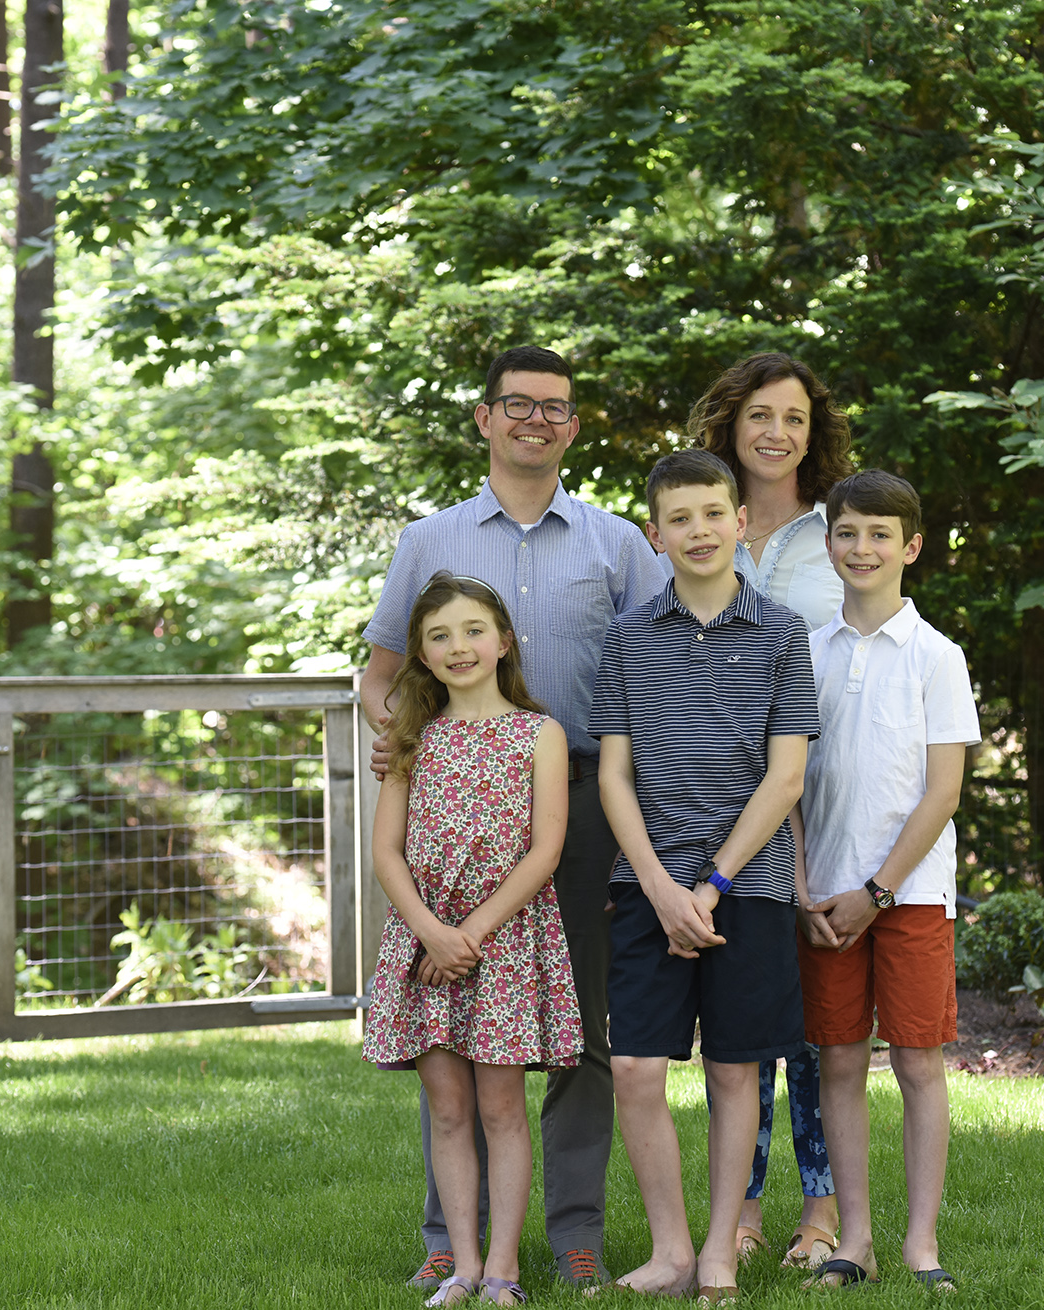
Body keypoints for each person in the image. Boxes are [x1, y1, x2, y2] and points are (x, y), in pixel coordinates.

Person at [361, 346, 665, 1291]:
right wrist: (405, 741)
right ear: (485, 418)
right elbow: (377, 680)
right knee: (447, 1017)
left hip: (576, 804)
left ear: (572, 427)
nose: (536, 420)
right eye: (517, 405)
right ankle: (453, 1237)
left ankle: (574, 1227)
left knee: (578, 1022)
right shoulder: (429, 540)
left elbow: (658, 674)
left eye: (556, 409)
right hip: (448, 814)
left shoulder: (617, 544)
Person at [588, 450, 818, 1301]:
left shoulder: (783, 633)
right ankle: (672, 1251)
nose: (697, 531)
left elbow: (784, 777)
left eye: (711, 514)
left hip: (746, 890)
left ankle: (721, 1250)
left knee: (734, 1070)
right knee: (636, 1069)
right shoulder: (625, 638)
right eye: (677, 519)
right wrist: (656, 884)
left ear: (740, 523)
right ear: (655, 535)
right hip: (646, 883)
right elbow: (613, 773)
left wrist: (711, 886)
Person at [362, 572, 582, 1307]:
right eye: (438, 636)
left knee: (500, 1108)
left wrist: (470, 935)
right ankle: (459, 1265)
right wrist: (431, 932)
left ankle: (503, 1270)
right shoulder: (411, 739)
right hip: (423, 943)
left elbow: (544, 849)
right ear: (420, 656)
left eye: (472, 630)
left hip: (506, 943)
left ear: (504, 642)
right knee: (448, 1111)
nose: (458, 647)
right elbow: (386, 853)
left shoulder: (539, 733)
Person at [689, 353, 852, 1271]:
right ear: (732, 423)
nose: (775, 433)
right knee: (743, 1025)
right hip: (720, 808)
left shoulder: (841, 530)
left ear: (810, 429)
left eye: (792, 417)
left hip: (821, 797)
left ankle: (821, 1210)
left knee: (816, 1020)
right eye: (759, 415)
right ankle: (741, 1209)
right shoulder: (700, 523)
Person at [798, 470, 980, 1294]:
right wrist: (804, 885)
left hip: (906, 899)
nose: (860, 548)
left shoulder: (937, 657)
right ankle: (855, 1241)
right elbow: (788, 783)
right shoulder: (804, 652)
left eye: (878, 535)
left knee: (915, 1064)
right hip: (824, 900)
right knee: (837, 1062)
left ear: (909, 547)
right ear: (827, 542)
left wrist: (875, 892)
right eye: (846, 533)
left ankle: (920, 1245)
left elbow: (942, 792)